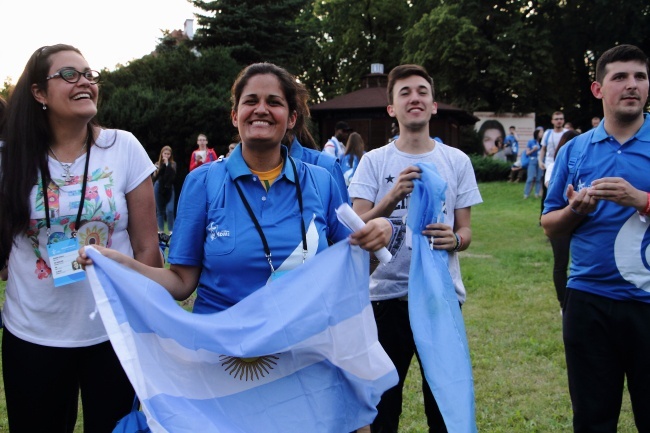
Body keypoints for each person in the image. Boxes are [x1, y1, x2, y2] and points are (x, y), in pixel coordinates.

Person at [77, 62, 392, 419]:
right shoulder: (203, 183)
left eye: (274, 101)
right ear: (235, 115)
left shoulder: (322, 181)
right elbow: (181, 283)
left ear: (291, 118)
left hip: (302, 360)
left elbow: (348, 273)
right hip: (221, 365)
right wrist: (122, 263)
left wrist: (381, 233)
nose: (261, 109)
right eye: (250, 100)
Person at [0, 44, 162, 432]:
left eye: (90, 74)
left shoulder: (122, 147)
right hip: (32, 333)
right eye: (70, 75)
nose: (86, 82)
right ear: (39, 92)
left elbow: (147, 247)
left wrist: (151, 321)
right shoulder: (10, 157)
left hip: (112, 332)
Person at [349, 64, 482, 433]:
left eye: (422, 91)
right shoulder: (375, 161)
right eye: (404, 92)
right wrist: (392, 197)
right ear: (391, 108)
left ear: (434, 105)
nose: (415, 98)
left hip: (440, 297)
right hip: (384, 298)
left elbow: (466, 230)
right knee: (381, 405)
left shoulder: (456, 161)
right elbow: (358, 227)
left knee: (442, 400)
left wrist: (454, 239)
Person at [541, 44, 650, 433]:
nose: (632, 85)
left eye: (640, 76)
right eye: (620, 77)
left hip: (647, 301)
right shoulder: (574, 151)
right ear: (598, 89)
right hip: (588, 300)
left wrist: (642, 200)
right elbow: (550, 224)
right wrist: (575, 211)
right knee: (592, 420)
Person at [153, 145, 176, 233]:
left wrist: (167, 164)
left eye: (168, 154)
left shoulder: (173, 164)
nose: (166, 155)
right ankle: (161, 231)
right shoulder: (158, 163)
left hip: (169, 188)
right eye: (165, 153)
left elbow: (171, 176)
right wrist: (156, 170)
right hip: (159, 187)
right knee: (160, 210)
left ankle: (171, 230)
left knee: (170, 210)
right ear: (161, 154)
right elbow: (154, 178)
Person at [523, 127, 544, 198]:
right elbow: (527, 153)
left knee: (539, 178)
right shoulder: (531, 142)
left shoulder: (543, 142)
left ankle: (536, 194)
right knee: (530, 177)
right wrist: (533, 150)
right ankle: (526, 194)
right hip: (533, 159)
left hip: (540, 160)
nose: (542, 134)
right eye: (540, 132)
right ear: (537, 133)